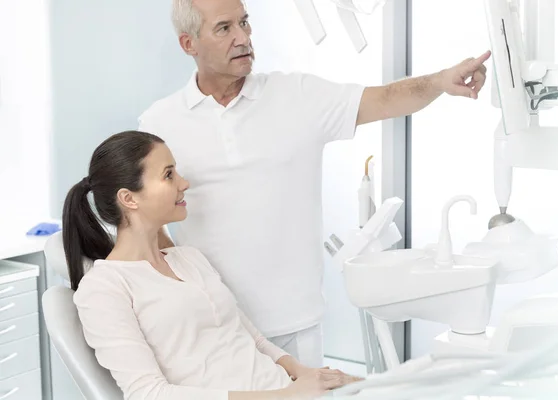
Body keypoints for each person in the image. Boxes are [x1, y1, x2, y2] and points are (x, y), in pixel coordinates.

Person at [138, 0, 491, 367]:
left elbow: (385, 99)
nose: (243, 37)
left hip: (296, 325)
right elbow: (147, 222)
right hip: (214, 331)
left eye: (245, 22)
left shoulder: (298, 96)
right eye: (224, 28)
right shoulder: (159, 123)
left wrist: (439, 81)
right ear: (188, 43)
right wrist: (187, 285)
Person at [63, 131, 361, 400]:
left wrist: (303, 373)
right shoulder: (104, 288)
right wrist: (286, 395)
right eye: (168, 175)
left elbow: (252, 340)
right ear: (129, 199)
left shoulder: (189, 258)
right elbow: (147, 394)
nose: (184, 183)